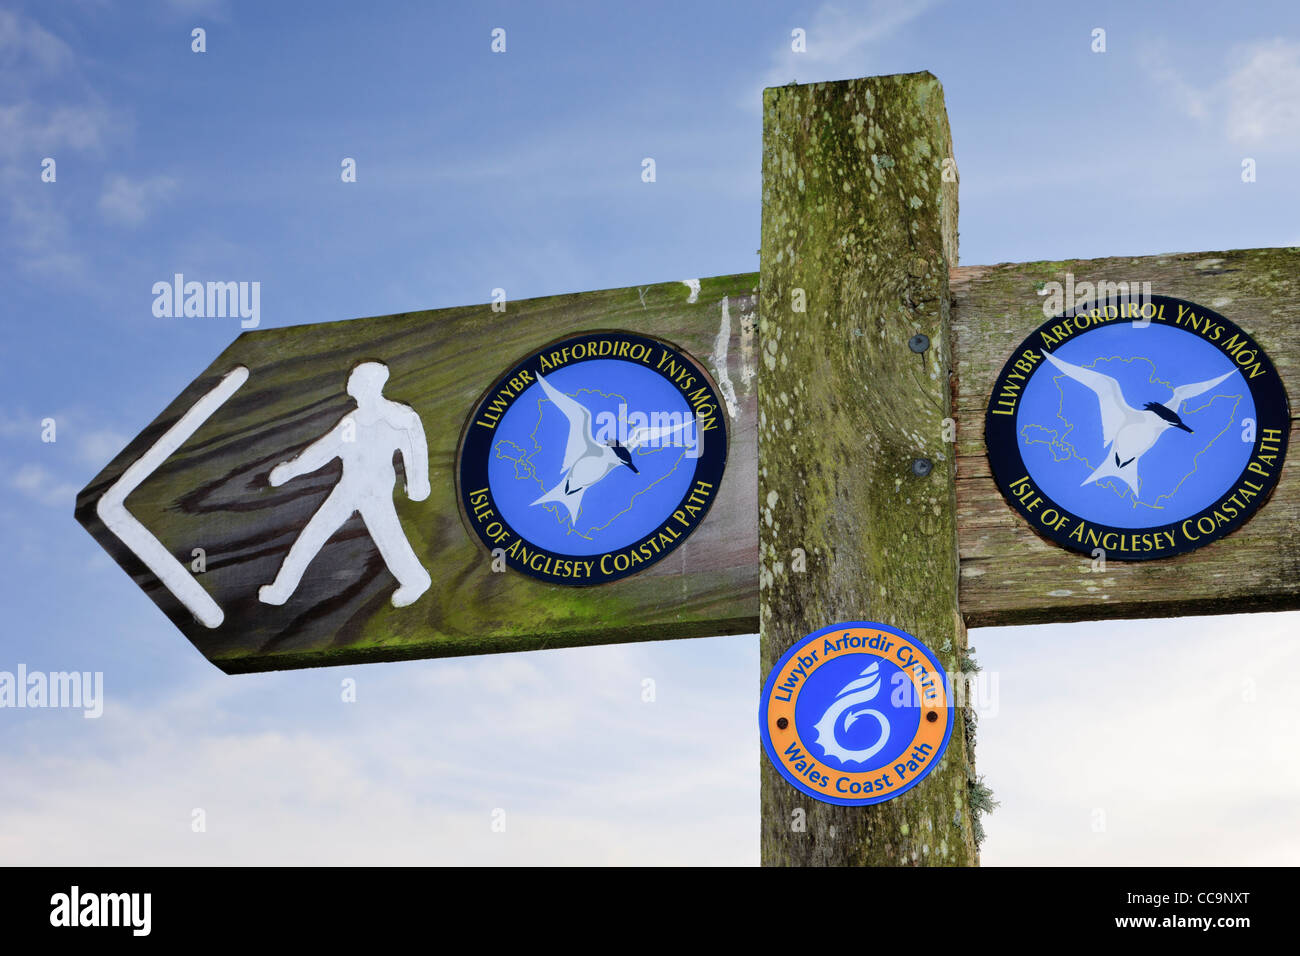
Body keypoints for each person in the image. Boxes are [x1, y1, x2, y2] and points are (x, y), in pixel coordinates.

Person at [258, 362, 432, 608]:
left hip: (375, 491)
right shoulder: (353, 423)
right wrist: (289, 471)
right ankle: (281, 589)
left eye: (354, 377)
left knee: (389, 537)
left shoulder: (397, 419)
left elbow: (416, 445)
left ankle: (416, 581)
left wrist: (417, 483)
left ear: (367, 386)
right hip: (349, 487)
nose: (350, 381)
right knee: (313, 534)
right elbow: (323, 451)